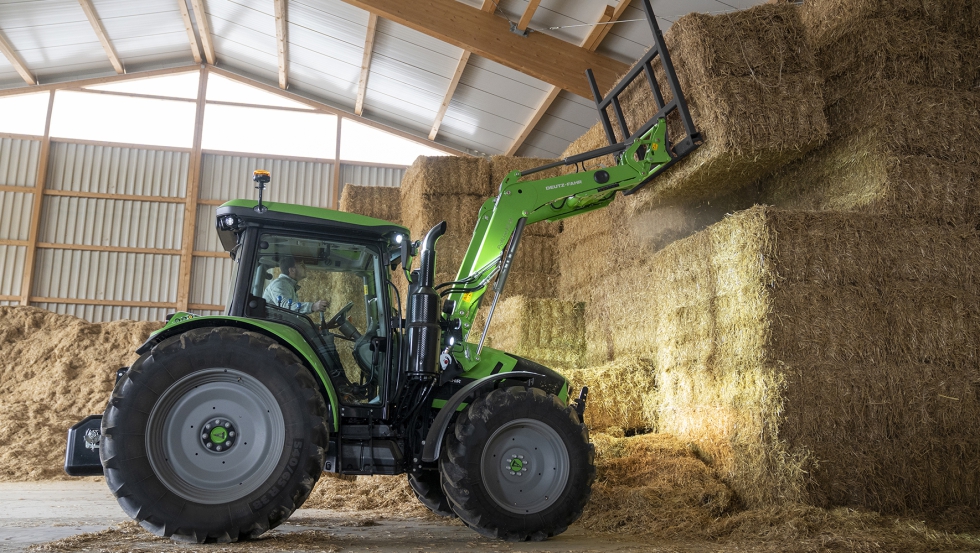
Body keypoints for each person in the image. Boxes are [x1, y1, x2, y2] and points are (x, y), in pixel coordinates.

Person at [262, 256, 328, 314]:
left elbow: (292, 316)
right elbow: (286, 307)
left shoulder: (288, 285)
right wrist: (312, 306)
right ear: (292, 270)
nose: (305, 268)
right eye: (301, 265)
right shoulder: (279, 284)